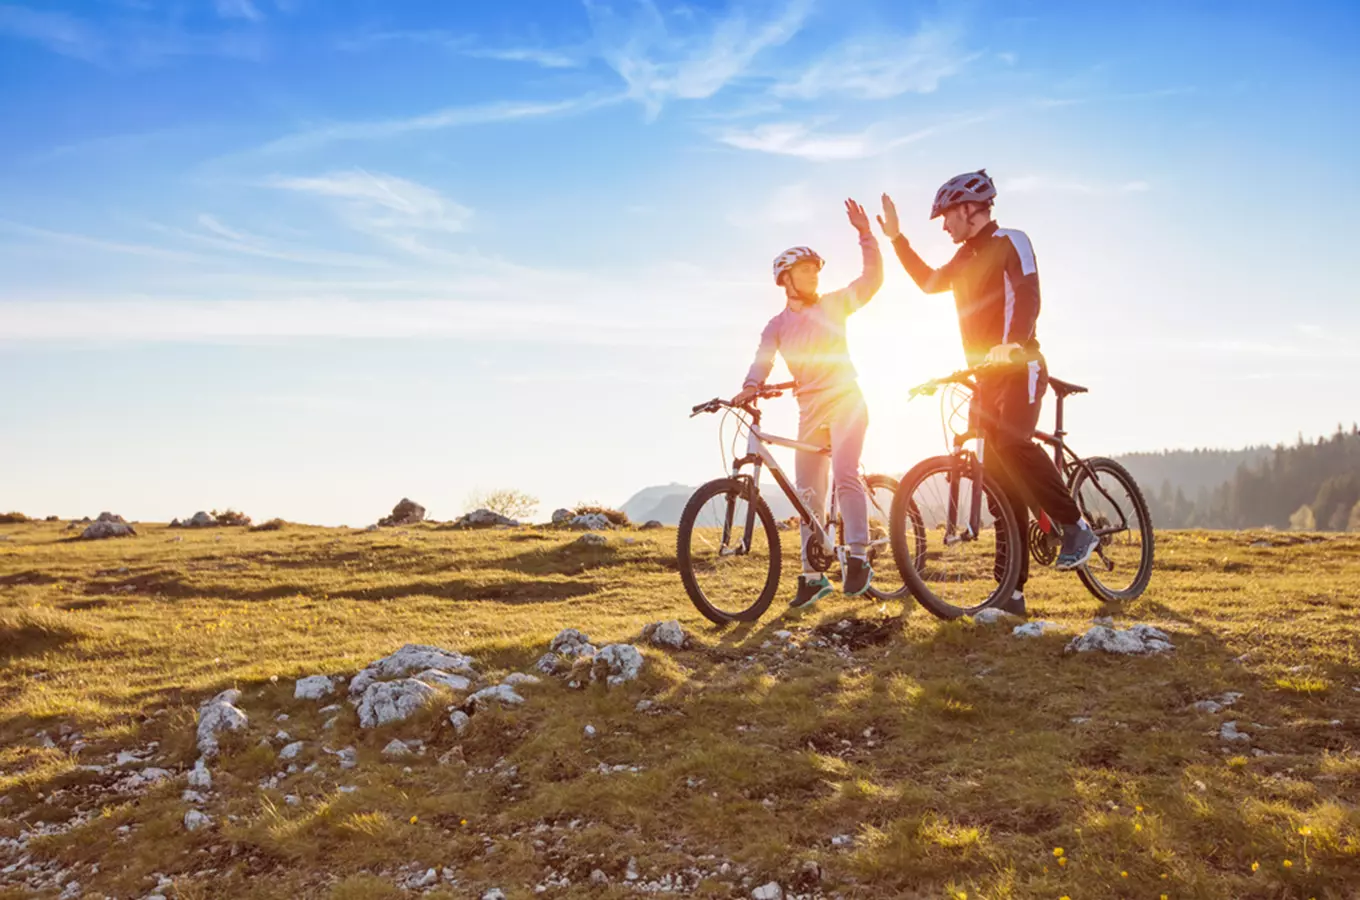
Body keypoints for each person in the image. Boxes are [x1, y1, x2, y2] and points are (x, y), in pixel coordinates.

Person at [877, 171, 1099, 615]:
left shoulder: (1011, 242)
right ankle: (1010, 594)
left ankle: (1076, 527)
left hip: (1022, 365)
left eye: (946, 217)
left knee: (1014, 443)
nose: (943, 227)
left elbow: (1028, 293)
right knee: (998, 485)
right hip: (986, 376)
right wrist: (897, 238)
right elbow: (928, 283)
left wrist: (1014, 341)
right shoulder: (963, 259)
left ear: (967, 209)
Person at [733, 199, 884, 609]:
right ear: (786, 280)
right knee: (807, 496)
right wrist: (749, 387)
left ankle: (857, 556)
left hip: (846, 400)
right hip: (809, 411)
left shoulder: (834, 304)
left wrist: (865, 234)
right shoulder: (777, 326)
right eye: (805, 271)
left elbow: (872, 280)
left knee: (846, 473)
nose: (814, 276)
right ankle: (813, 576)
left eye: (816, 270)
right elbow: (761, 361)